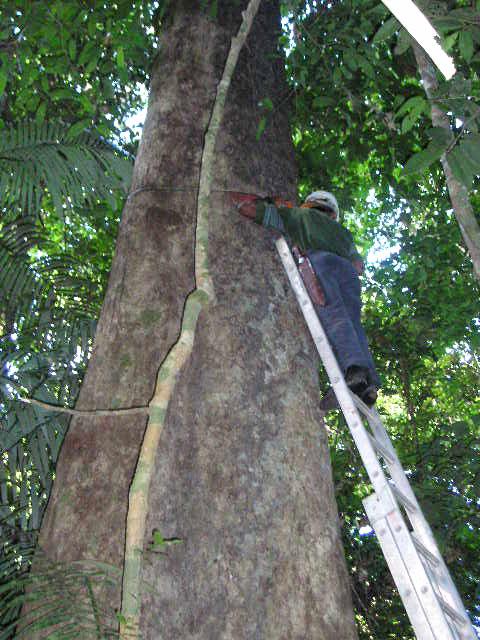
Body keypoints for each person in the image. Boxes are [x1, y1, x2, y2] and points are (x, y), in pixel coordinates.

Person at [231, 190, 380, 410]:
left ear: (309, 204)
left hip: (320, 262)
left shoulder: (298, 215)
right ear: (333, 214)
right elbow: (358, 266)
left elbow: (247, 209)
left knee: (334, 315)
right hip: (348, 275)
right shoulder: (344, 233)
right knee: (353, 324)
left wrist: (268, 202)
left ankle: (356, 372)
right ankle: (370, 385)